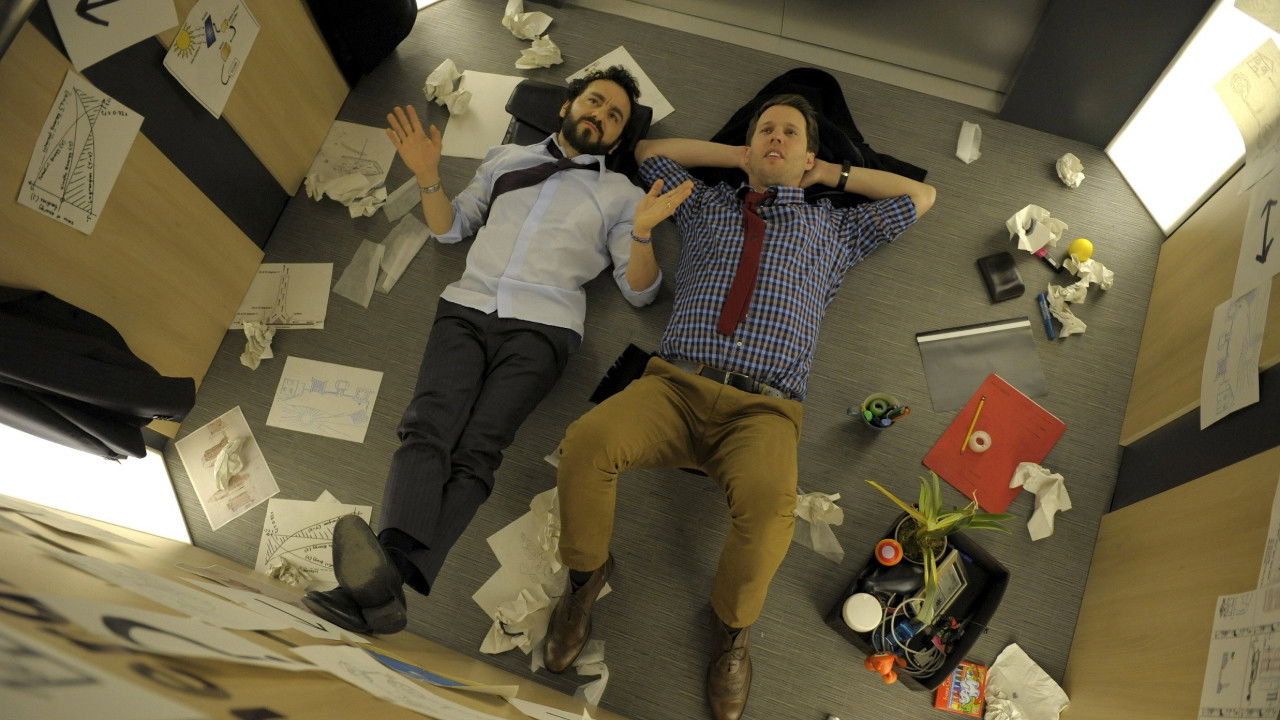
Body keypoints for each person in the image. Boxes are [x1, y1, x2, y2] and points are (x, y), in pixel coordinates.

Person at [543, 94, 936, 720]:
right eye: (765, 130)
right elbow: (648, 151)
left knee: (772, 517)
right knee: (585, 444)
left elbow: (922, 196)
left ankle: (732, 630)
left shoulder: (834, 229)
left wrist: (830, 174)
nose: (776, 137)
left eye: (790, 133)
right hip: (673, 386)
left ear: (810, 155)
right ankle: (586, 579)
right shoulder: (704, 204)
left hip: (765, 410)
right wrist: (740, 157)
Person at [302, 66, 694, 636]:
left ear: (617, 139)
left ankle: (379, 585)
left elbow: (640, 293)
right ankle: (387, 588)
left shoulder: (623, 195)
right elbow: (449, 230)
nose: (601, 116)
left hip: (545, 327)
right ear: (566, 107)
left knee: (478, 451)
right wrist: (428, 175)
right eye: (594, 102)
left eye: (615, 117)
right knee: (425, 428)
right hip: (467, 306)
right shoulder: (505, 160)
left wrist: (641, 233)